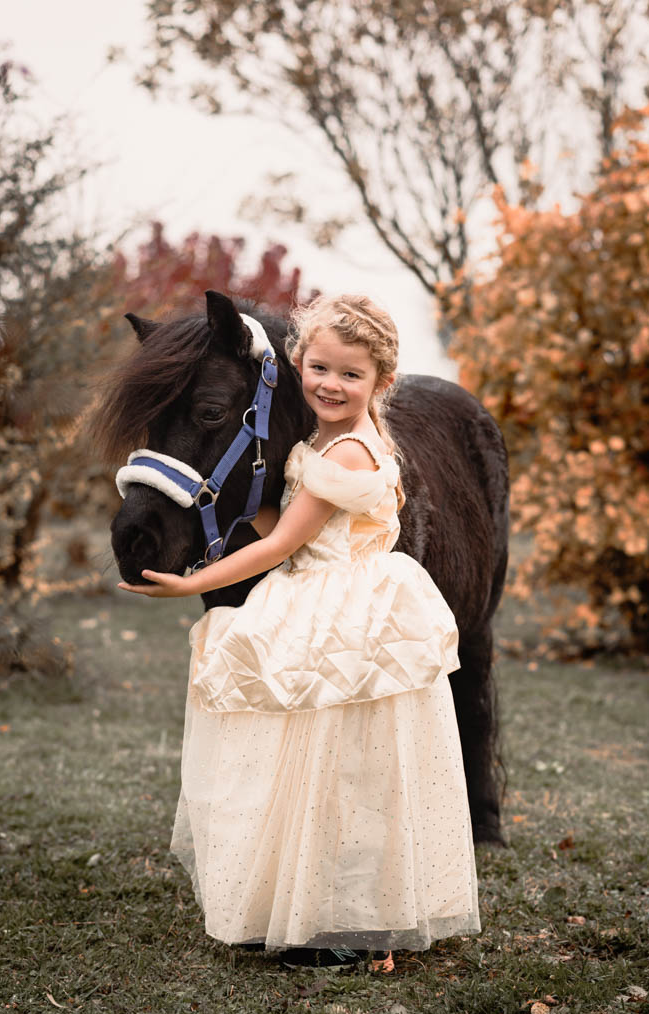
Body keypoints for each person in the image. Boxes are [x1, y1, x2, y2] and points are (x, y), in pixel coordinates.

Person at [119, 294, 480, 972]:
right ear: (296, 363)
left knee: (336, 767)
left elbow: (282, 539)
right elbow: (276, 519)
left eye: (350, 375)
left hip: (338, 603)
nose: (330, 385)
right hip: (322, 593)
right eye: (319, 368)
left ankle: (341, 916)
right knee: (307, 762)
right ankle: (299, 901)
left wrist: (191, 582)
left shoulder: (342, 452)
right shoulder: (318, 440)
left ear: (380, 382)